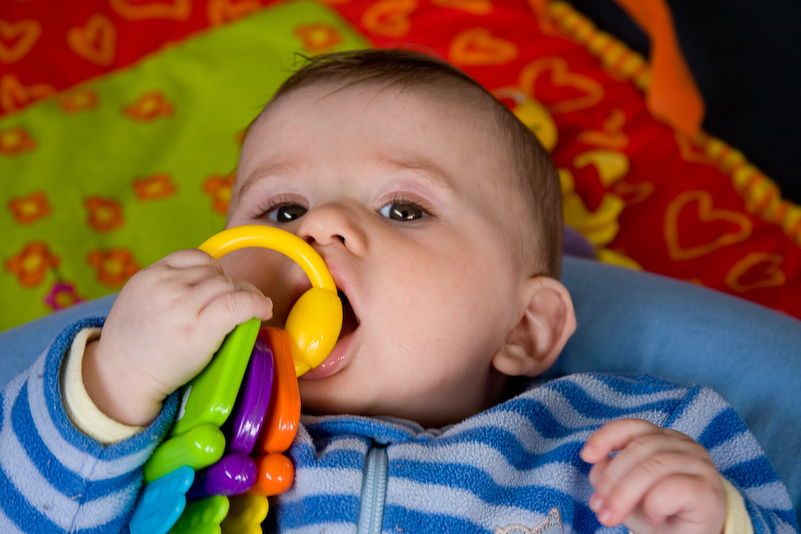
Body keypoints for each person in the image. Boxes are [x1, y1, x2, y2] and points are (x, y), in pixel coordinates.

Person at [0, 49, 796, 534]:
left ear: (522, 326)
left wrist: (714, 520)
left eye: (402, 208)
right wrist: (116, 381)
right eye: (281, 210)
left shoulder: (632, 435)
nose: (319, 230)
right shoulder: (168, 425)